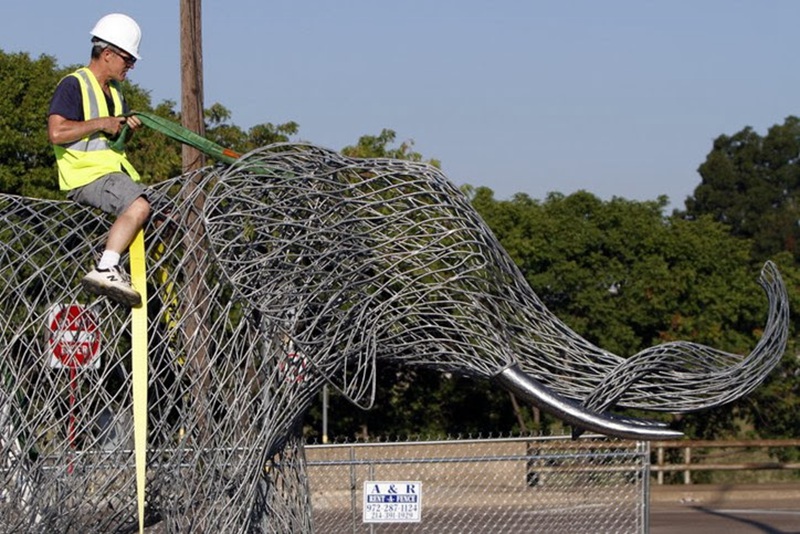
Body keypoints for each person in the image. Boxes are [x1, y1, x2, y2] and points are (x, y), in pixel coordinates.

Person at [48, 13, 149, 307]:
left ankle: (116, 259)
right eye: (128, 59)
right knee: (138, 205)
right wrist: (101, 122)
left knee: (161, 211)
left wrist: (125, 131)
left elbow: (112, 143)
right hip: (85, 177)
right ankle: (106, 266)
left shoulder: (117, 92)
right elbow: (56, 133)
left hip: (114, 174)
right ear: (107, 54)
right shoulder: (73, 84)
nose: (130, 67)